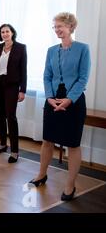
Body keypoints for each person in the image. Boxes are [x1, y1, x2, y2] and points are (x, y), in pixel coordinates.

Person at [30, 13, 90, 201]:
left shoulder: (83, 49)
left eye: (60, 26)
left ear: (71, 27)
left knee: (72, 144)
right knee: (47, 140)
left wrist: (69, 100)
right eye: (55, 27)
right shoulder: (51, 50)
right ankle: (41, 174)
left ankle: (70, 185)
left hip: (74, 102)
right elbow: (47, 76)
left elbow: (83, 78)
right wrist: (49, 97)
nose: (57, 30)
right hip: (52, 101)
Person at [0, 24, 27, 163]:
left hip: (12, 86)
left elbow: (23, 70)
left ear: (12, 33)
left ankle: (15, 151)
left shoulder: (20, 48)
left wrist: (23, 90)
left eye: (7, 31)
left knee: (11, 116)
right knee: (0, 114)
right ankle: (3, 144)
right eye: (2, 32)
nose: (4, 34)